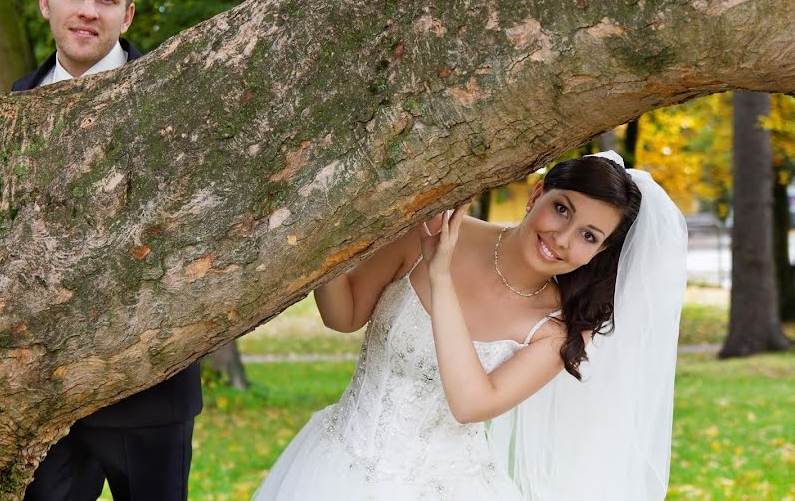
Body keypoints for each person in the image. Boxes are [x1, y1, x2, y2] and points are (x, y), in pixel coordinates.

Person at [252, 151, 687, 500]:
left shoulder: (560, 329)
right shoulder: (429, 230)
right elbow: (342, 316)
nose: (562, 238)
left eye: (588, 236)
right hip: (336, 467)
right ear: (536, 194)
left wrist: (440, 273)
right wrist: (315, 246)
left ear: (598, 253)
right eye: (561, 209)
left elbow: (470, 404)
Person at [13, 0, 202, 501]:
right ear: (47, 1)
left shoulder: (178, 101)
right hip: (44, 398)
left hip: (151, 393)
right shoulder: (12, 104)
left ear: (127, 14)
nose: (87, 10)